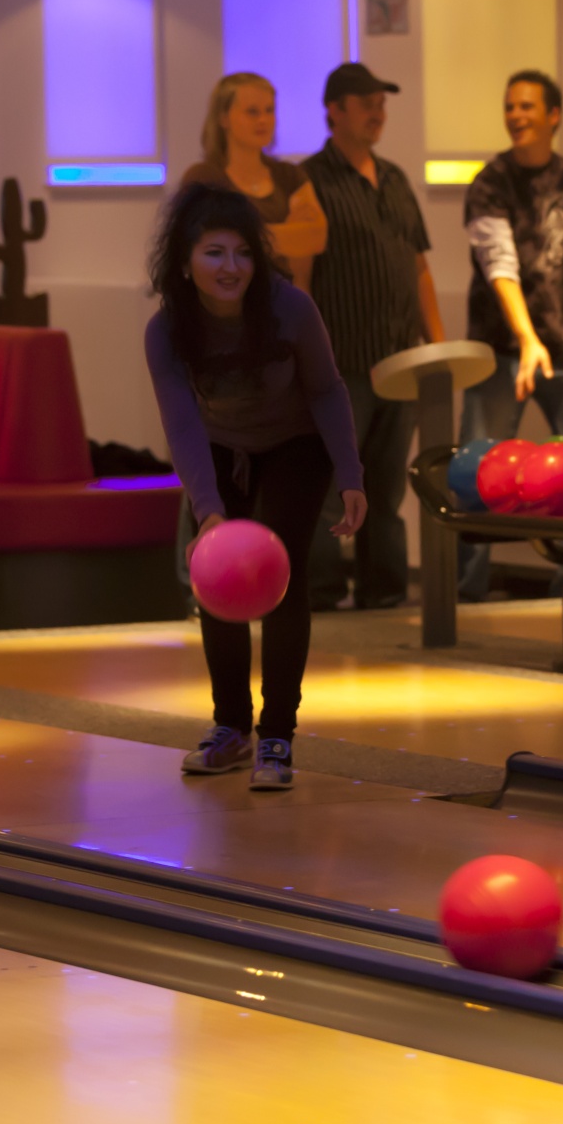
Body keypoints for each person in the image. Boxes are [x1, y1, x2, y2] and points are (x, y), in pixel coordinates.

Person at [145, 183, 367, 790]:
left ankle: (277, 735)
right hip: (221, 447)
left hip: (297, 445)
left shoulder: (289, 308)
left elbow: (327, 390)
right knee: (218, 579)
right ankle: (230, 728)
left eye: (242, 252)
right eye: (214, 253)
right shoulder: (167, 329)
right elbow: (182, 421)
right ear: (186, 261)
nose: (230, 267)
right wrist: (208, 512)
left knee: (279, 570)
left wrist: (351, 474)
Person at [457, 71, 563, 602]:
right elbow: (499, 266)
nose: (516, 116)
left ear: (554, 116)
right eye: (510, 106)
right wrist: (526, 339)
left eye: (527, 106)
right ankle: (462, 594)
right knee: (477, 474)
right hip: (499, 350)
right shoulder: (490, 182)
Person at [302, 61, 442, 610]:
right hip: (343, 362)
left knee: (386, 486)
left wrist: (436, 346)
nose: (378, 112)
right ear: (334, 111)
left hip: (400, 360)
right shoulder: (309, 180)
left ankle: (384, 590)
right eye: (366, 103)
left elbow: (420, 266)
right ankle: (320, 588)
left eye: (382, 103)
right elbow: (301, 276)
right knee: (331, 483)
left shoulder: (397, 178)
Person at [182, 73, 329, 292]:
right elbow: (206, 250)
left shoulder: (289, 175)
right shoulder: (204, 178)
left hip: (281, 306)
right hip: (224, 309)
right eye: (252, 112)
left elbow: (316, 236)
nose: (263, 119)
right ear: (223, 117)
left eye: (269, 110)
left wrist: (246, 239)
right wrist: (287, 234)